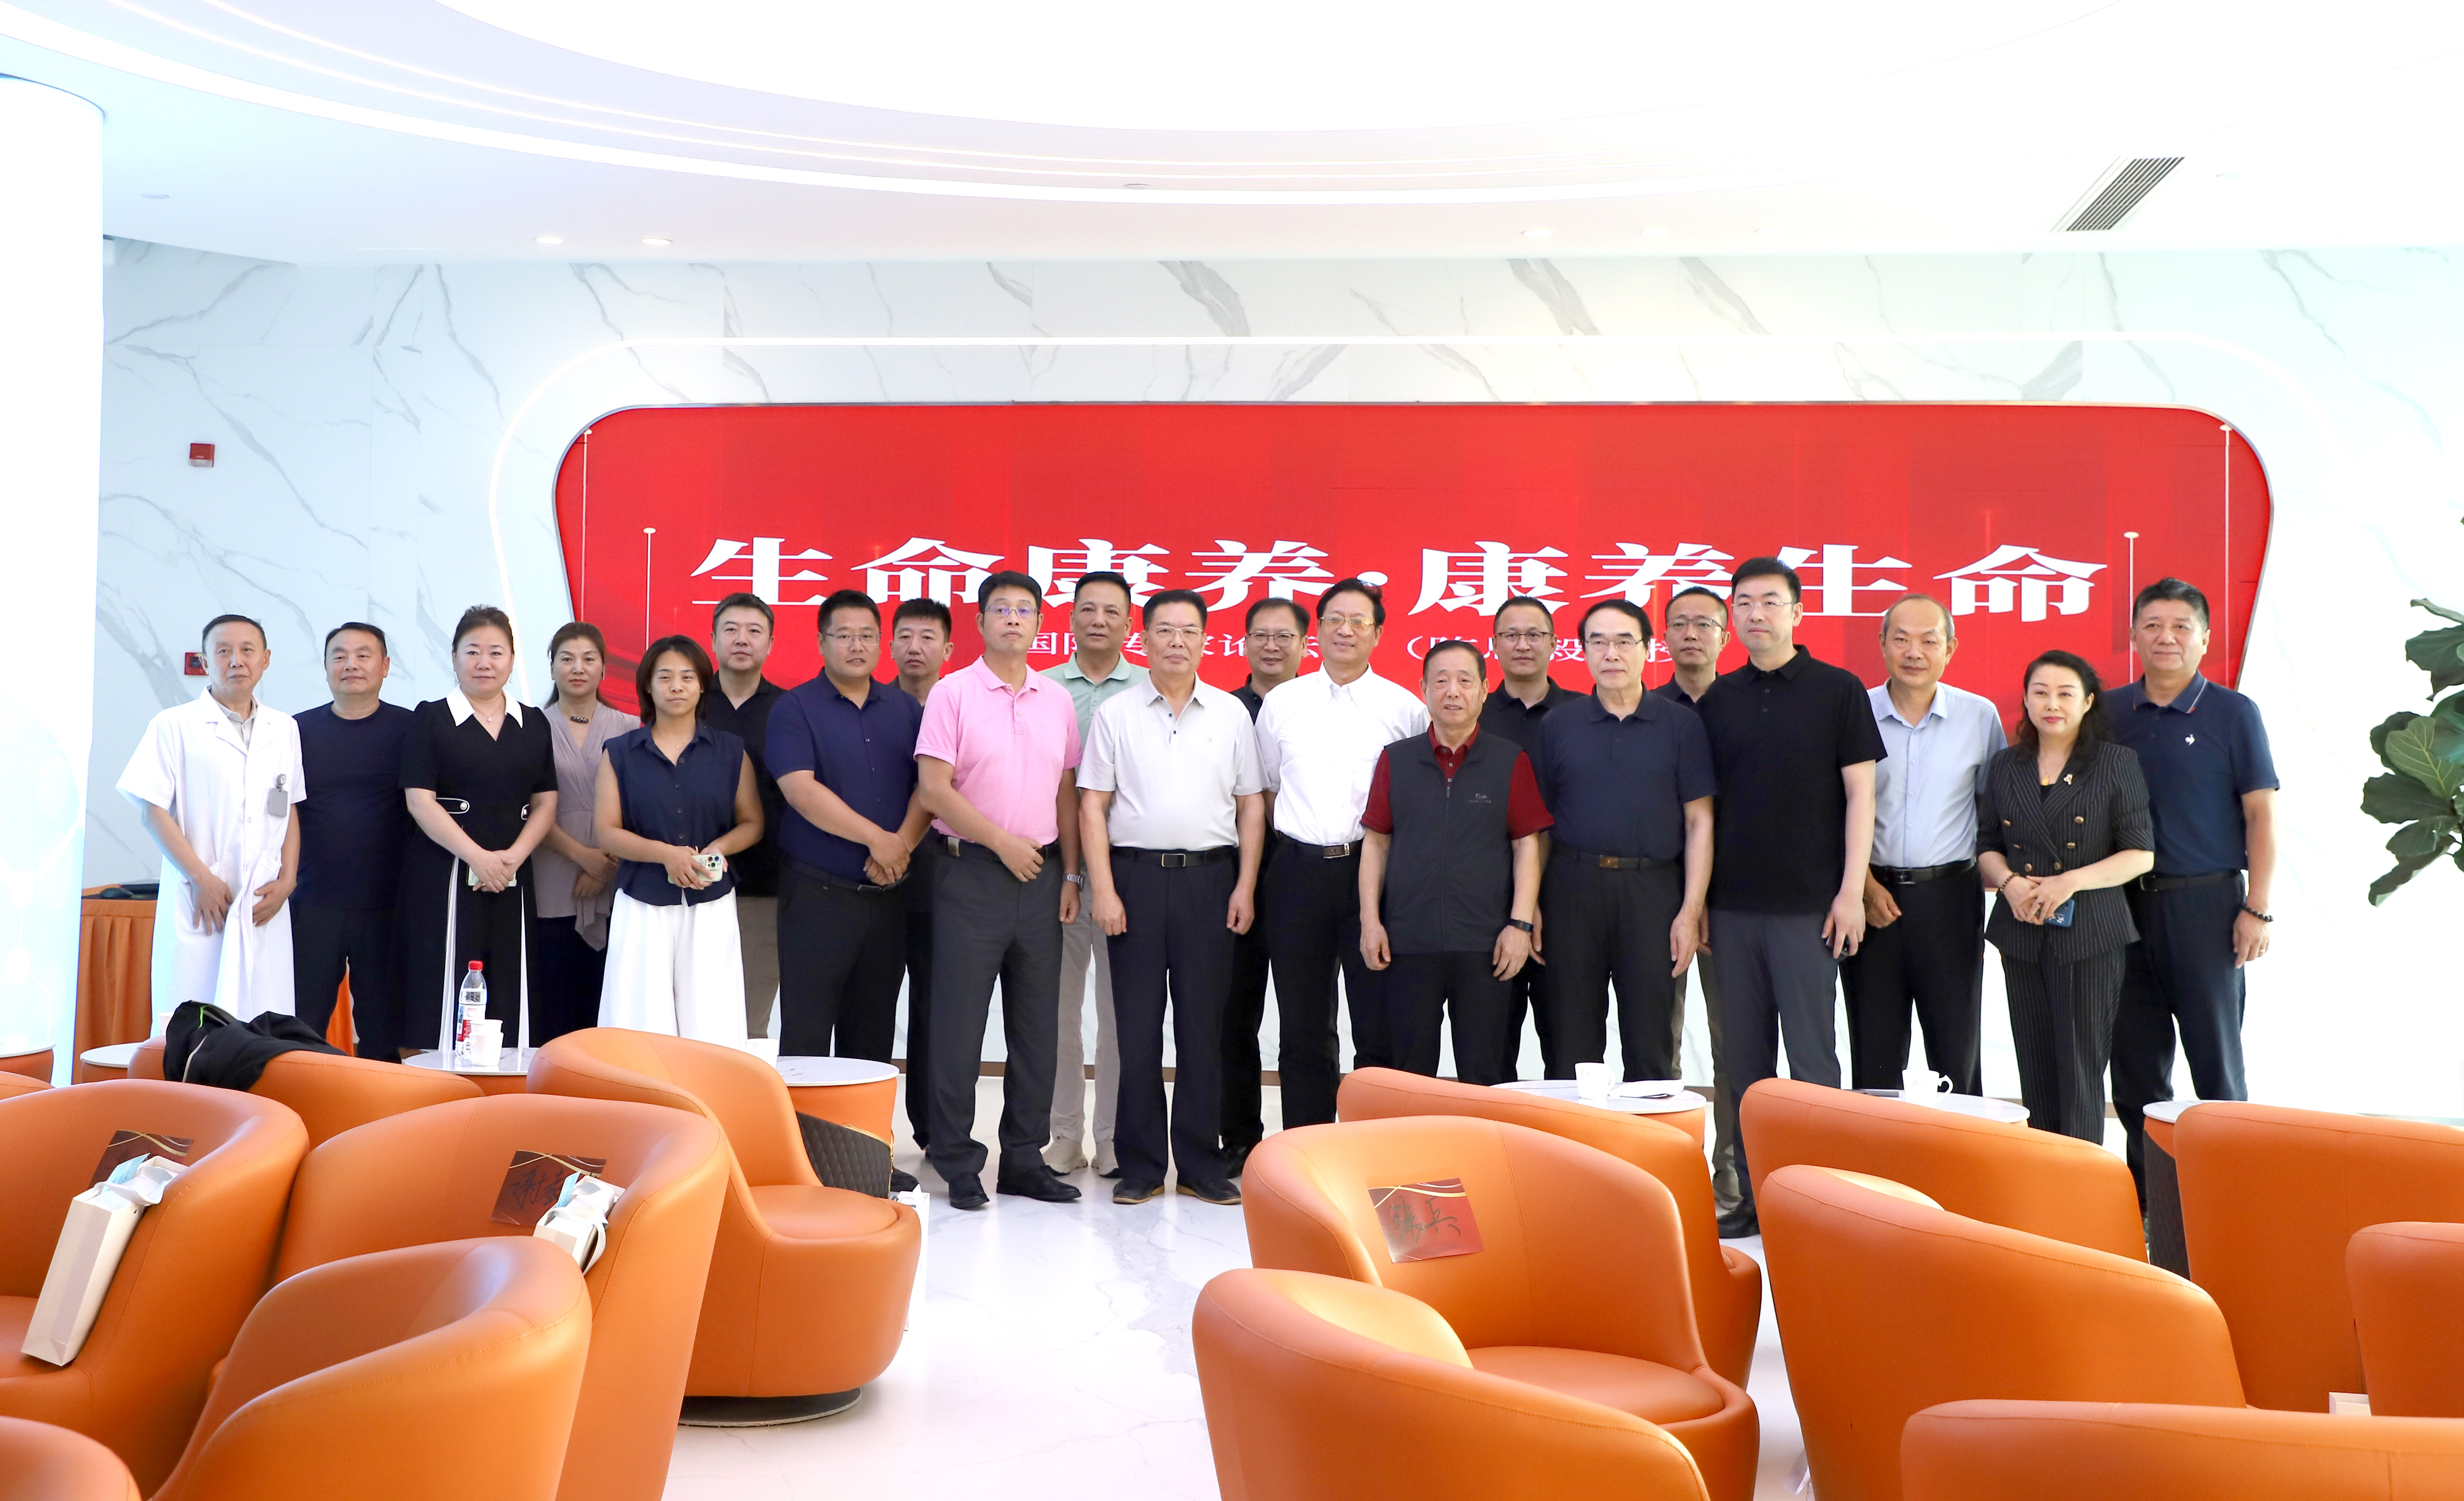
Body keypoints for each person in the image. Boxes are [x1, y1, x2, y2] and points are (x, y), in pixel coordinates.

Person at [1693, 558, 1885, 1238]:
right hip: (1732, 909)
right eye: (1744, 602)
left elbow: (1861, 795)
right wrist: (1699, 903)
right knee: (1743, 1067)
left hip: (1810, 907)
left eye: (1771, 602)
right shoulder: (1719, 698)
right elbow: (1705, 812)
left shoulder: (1837, 690)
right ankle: (1753, 1198)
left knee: (1811, 1064)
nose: (1756, 614)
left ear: (1798, 613)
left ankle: (1819, 1205)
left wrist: (1851, 892)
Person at [1078, 589, 1264, 1207]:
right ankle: (1140, 1165)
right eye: (1164, 630)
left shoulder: (1231, 714)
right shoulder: (1117, 714)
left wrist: (1244, 884)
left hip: (1211, 881)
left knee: (1202, 1029)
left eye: (1188, 630)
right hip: (1133, 880)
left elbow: (1250, 806)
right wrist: (1103, 890)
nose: (1176, 641)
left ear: (1206, 640)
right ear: (1145, 638)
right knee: (1136, 1030)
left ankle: (1200, 1165)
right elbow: (1092, 805)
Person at [915, 571, 1086, 1210]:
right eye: (1000, 609)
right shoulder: (952, 693)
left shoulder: (1056, 699)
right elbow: (934, 790)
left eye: (1024, 609)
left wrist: (1070, 873)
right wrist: (1000, 841)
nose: (1013, 618)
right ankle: (957, 1160)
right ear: (981, 622)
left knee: (1037, 1028)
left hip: (1042, 879)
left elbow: (1066, 794)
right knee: (958, 1027)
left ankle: (1023, 1158)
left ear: (1040, 622)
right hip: (970, 876)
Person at [2107, 577, 2279, 1194]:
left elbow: (2261, 814)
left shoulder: (2233, 713)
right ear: (2133, 635)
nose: (2167, 637)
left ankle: (2233, 1198)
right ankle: (2145, 1199)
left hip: (2206, 907)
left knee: (2216, 1068)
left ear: (2205, 639)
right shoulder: (2107, 713)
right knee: (2134, 1068)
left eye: (2182, 626)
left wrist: (2258, 908)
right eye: (2153, 625)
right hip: (2120, 910)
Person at [1252, 579, 1429, 1126]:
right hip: (1296, 872)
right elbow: (1268, 788)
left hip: (1372, 876)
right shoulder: (1282, 703)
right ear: (1318, 630)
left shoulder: (1404, 709)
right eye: (1333, 619)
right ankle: (1307, 1149)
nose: (1344, 630)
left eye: (1358, 621)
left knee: (1376, 1022)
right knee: (1302, 1025)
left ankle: (1372, 1147)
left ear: (1378, 634)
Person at [1530, 600, 1715, 1082]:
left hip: (1652, 893)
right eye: (1598, 642)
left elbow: (1699, 822)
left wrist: (1690, 912)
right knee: (1571, 1043)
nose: (1611, 653)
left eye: (1624, 641)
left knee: (1651, 1043)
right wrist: (1530, 906)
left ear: (1648, 648)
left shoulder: (1680, 724)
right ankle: (1572, 1136)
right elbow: (1538, 827)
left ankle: (1649, 1135)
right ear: (1583, 650)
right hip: (1572, 890)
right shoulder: (1559, 725)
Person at [1977, 652, 2153, 1140]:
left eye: (2065, 693)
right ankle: (2040, 1177)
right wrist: (2008, 883)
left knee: (2079, 1071)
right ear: (2026, 699)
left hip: (2090, 933)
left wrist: (2069, 881)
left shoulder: (2114, 763)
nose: (2051, 704)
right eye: (2040, 693)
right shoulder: (2005, 764)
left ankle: (2082, 1182)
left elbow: (2140, 854)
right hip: (2022, 929)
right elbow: (1986, 843)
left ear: (2088, 701)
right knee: (2034, 1066)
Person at [1358, 640, 1550, 1085]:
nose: (1452, 691)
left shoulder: (1509, 760)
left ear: (1484, 690)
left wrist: (1520, 926)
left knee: (1485, 1075)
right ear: (1423, 689)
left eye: (1465, 681)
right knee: (1409, 1077)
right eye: (1441, 681)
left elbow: (1527, 846)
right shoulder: (1396, 758)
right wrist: (1370, 921)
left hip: (1485, 944)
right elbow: (1376, 843)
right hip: (1408, 942)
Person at [1840, 594, 2006, 1094]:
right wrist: (1864, 887)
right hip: (1871, 900)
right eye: (1901, 639)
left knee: (1956, 1048)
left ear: (1950, 648)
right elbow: (1832, 811)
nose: (1914, 652)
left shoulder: (1979, 717)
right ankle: (1875, 1147)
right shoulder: (1854, 711)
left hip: (1950, 899)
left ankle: (1960, 1146)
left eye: (1929, 641)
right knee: (1874, 1051)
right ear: (1882, 644)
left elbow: (1996, 812)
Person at [120, 614, 306, 1025]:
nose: (236, 660)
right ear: (205, 662)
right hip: (202, 899)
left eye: (247, 650)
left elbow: (289, 805)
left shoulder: (285, 728)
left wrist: (290, 879)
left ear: (266, 659)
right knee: (195, 1023)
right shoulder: (174, 726)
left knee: (266, 1026)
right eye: (223, 651)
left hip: (264, 899)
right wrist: (201, 879)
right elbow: (152, 811)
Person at [770, 590, 930, 1060]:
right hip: (817, 898)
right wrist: (878, 840)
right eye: (844, 636)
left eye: (867, 636)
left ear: (882, 644)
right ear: (822, 642)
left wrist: (900, 848)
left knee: (873, 1037)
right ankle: (799, 1115)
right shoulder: (795, 708)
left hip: (889, 898)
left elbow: (930, 789)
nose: (856, 646)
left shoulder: (907, 710)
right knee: (807, 1032)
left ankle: (865, 1116)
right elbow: (800, 790)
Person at [399, 607, 558, 1055]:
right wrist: (478, 858)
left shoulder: (533, 722)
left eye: (495, 652)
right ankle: (437, 1081)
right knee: (442, 980)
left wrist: (512, 859)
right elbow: (419, 801)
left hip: (511, 873)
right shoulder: (430, 718)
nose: (484, 662)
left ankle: (508, 1083)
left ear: (512, 660)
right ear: (454, 657)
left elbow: (547, 802)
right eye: (472, 652)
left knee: (511, 976)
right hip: (444, 872)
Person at [594, 637, 764, 1044]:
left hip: (710, 900)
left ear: (702, 685)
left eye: (688, 677)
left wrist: (718, 849)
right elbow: (606, 832)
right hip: (642, 901)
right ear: (648, 686)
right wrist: (666, 855)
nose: (676, 687)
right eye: (665, 677)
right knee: (638, 1023)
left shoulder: (731, 752)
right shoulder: (620, 752)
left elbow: (752, 823)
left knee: (712, 1023)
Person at [1042, 570, 1149, 1177]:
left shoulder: (1149, 688)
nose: (1099, 620)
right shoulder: (1044, 687)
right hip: (1057, 872)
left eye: (1112, 611)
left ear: (1130, 624)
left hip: (1124, 874)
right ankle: (1064, 1134)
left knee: (1118, 1013)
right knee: (1057, 1012)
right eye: (1088, 609)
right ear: (1071, 618)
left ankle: (1110, 1135)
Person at [1656, 583, 1743, 1218]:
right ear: (1662, 637)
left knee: (1731, 1045)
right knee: (1658, 1042)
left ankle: (1731, 1180)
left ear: (1725, 635)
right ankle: (1666, 1180)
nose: (1691, 634)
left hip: (1737, 900)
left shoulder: (1744, 705)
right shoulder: (1645, 707)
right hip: (1661, 897)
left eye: (1704, 624)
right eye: (1679, 623)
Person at [288, 623, 413, 1055]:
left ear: (385, 666)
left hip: (388, 903)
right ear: (325, 667)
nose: (351, 665)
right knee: (301, 1024)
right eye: (339, 656)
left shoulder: (412, 729)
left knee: (383, 1029)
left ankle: (381, 1100)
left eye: (363, 655)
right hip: (311, 899)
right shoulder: (295, 731)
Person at [1220, 595, 1307, 1174]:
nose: (1271, 646)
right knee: (1234, 1014)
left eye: (1283, 636)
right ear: (1244, 642)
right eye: (1260, 635)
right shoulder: (1221, 710)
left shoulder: (1318, 708)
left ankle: (1306, 1142)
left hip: (1303, 873)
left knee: (1306, 1019)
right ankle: (1238, 1140)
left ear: (1304, 644)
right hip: (1232, 878)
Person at [1478, 595, 1581, 1079]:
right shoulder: (1472, 714)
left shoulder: (1583, 714)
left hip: (1569, 899)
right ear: (1495, 644)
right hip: (1487, 899)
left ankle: (1566, 1132)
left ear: (1555, 644)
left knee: (1569, 1044)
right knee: (1490, 1046)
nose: (1523, 644)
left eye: (1535, 634)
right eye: (1511, 635)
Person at [528, 623, 632, 1045]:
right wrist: (584, 857)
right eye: (567, 659)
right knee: (552, 998)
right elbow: (526, 807)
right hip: (550, 872)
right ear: (551, 667)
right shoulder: (529, 726)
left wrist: (606, 866)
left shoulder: (631, 727)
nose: (578, 668)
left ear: (604, 669)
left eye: (589, 659)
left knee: (604, 1004)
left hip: (617, 875)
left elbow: (642, 808)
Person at [700, 593, 786, 1039]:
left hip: (764, 887)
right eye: (731, 630)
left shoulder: (789, 709)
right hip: (690, 886)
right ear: (713, 639)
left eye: (754, 631)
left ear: (770, 643)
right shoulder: (688, 702)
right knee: (693, 1017)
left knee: (751, 1021)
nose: (742, 640)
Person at [890, 596, 954, 1150]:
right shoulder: (873, 705)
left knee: (936, 1004)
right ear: (890, 645)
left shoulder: (961, 704)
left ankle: (933, 1127)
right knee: (873, 1006)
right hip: (876, 874)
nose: (915, 647)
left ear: (949, 648)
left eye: (928, 637)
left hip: (947, 876)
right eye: (906, 636)